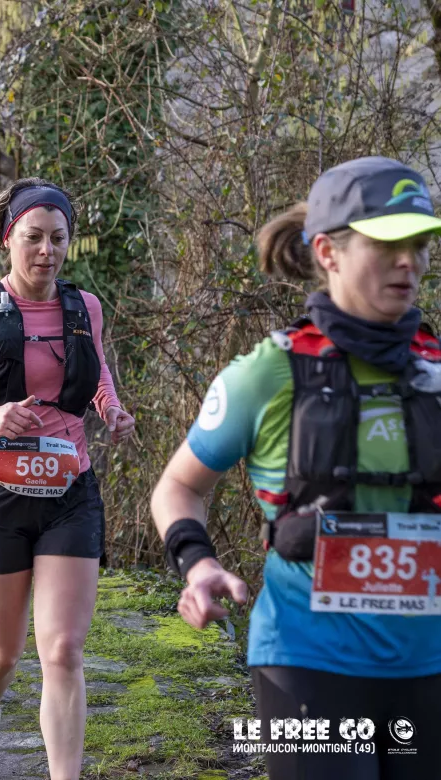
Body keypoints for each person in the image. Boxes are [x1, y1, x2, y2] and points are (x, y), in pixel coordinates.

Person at [151, 156, 441, 780]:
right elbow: (177, 487)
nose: (409, 262)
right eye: (387, 244)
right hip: (307, 660)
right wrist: (198, 564)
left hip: (430, 664)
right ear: (327, 252)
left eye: (420, 244)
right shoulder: (268, 372)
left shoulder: (435, 373)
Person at [0, 178, 134, 778]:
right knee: (3, 654)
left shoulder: (85, 307)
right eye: (34, 237)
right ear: (8, 239)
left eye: (58, 239)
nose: (46, 250)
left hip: (69, 493)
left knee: (62, 650)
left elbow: (95, 372)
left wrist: (111, 408)